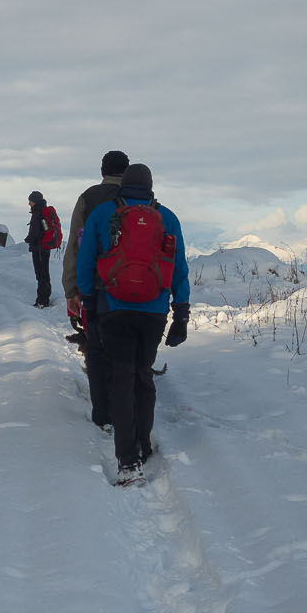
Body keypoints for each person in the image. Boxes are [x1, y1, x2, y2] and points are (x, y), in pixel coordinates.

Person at [76, 162, 189, 482]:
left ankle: (128, 461)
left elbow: (86, 263)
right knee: (143, 375)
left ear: (123, 185)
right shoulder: (167, 217)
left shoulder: (104, 215)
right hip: (154, 311)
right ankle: (143, 442)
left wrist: (89, 306)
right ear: (151, 187)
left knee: (121, 377)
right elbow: (179, 268)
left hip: (113, 307)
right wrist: (181, 313)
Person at [63, 149, 130, 430]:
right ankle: (126, 408)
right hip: (132, 288)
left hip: (94, 288)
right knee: (126, 349)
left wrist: (71, 290)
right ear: (125, 171)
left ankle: (102, 413)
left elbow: (75, 247)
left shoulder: (88, 198)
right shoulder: (140, 198)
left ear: (102, 170)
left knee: (96, 347)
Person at [25, 189, 62, 306]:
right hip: (44, 247)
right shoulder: (44, 212)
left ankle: (42, 301)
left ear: (34, 201)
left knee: (41, 274)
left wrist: (29, 239)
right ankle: (44, 298)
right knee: (44, 273)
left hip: (39, 248)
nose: (29, 203)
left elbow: (35, 233)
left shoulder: (38, 213)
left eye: (30, 201)